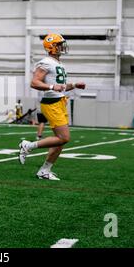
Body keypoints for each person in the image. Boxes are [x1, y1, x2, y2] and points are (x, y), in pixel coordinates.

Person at [18, 34, 85, 181]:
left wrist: (73, 85)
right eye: (59, 44)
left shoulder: (59, 63)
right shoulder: (46, 62)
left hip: (60, 102)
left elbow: (60, 87)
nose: (62, 46)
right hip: (51, 103)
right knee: (64, 137)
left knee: (60, 140)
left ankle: (45, 170)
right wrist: (51, 86)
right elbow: (34, 83)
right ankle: (28, 145)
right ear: (52, 46)